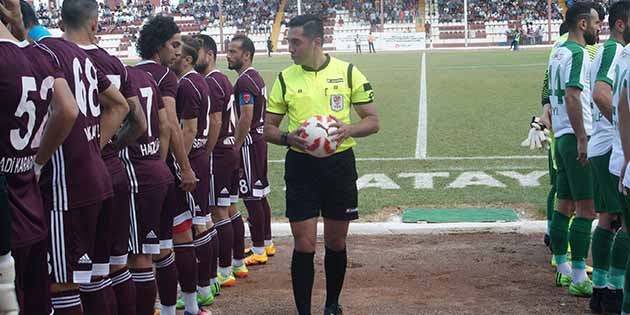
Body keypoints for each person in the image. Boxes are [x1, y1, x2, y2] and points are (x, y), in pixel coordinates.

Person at [265, 15, 379, 315]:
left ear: (316, 42)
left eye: (295, 42)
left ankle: (332, 304)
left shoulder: (348, 72)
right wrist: (289, 138)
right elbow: (267, 128)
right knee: (303, 243)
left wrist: (348, 129)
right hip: (301, 166)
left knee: (336, 240)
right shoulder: (284, 78)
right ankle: (304, 311)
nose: (288, 47)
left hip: (339, 165)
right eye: (288, 41)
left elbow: (372, 121)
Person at [66, 1, 147, 313]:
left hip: (76, 174)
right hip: (114, 169)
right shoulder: (114, 63)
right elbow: (138, 122)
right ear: (95, 23)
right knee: (115, 265)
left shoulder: (56, 58)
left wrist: (89, 147)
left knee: (78, 276)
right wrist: (112, 144)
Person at [0, 0, 78, 313]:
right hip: (31, 203)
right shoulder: (40, 55)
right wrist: (37, 162)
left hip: (6, 217)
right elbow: (68, 109)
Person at [136, 15, 198, 315]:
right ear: (158, 46)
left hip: (139, 168)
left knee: (150, 248)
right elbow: (171, 124)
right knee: (178, 237)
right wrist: (184, 167)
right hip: (164, 170)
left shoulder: (132, 73)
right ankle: (187, 307)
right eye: (174, 45)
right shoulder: (165, 76)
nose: (178, 51)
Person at [547, 1, 601, 298]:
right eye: (594, 23)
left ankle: (564, 269)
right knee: (586, 209)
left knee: (563, 205)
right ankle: (579, 276)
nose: (597, 28)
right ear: (582, 24)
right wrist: (583, 137)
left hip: (561, 137)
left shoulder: (557, 52)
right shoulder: (578, 53)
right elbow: (572, 95)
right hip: (577, 136)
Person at [587, 2, 630, 312]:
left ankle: (601, 291)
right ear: (620, 24)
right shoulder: (617, 51)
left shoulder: (607, 50)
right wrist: (620, 128)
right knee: (621, 223)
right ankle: (613, 292)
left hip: (602, 146)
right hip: (609, 147)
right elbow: (601, 92)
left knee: (608, 219)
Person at [168, 35, 212, 315]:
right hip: (199, 158)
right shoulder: (200, 80)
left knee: (191, 227)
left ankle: (198, 292)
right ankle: (203, 288)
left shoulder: (185, 84)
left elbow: (189, 128)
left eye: (176, 53)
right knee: (202, 221)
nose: (172, 57)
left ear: (186, 59)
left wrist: (179, 163)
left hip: (191, 160)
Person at [194, 34, 238, 289]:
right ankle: (234, 262)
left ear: (209, 55)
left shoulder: (211, 82)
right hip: (229, 149)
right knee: (229, 208)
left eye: (196, 51)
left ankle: (223, 270)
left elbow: (217, 121)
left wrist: (206, 151)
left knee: (217, 211)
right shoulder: (222, 79)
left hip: (219, 151)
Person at [228, 34, 275, 268]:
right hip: (259, 139)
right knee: (260, 193)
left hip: (249, 143)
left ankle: (258, 249)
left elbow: (245, 116)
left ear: (246, 55)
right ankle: (266, 242)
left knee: (251, 196)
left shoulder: (245, 81)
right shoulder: (255, 77)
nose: (229, 55)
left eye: (234, 51)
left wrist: (236, 145)